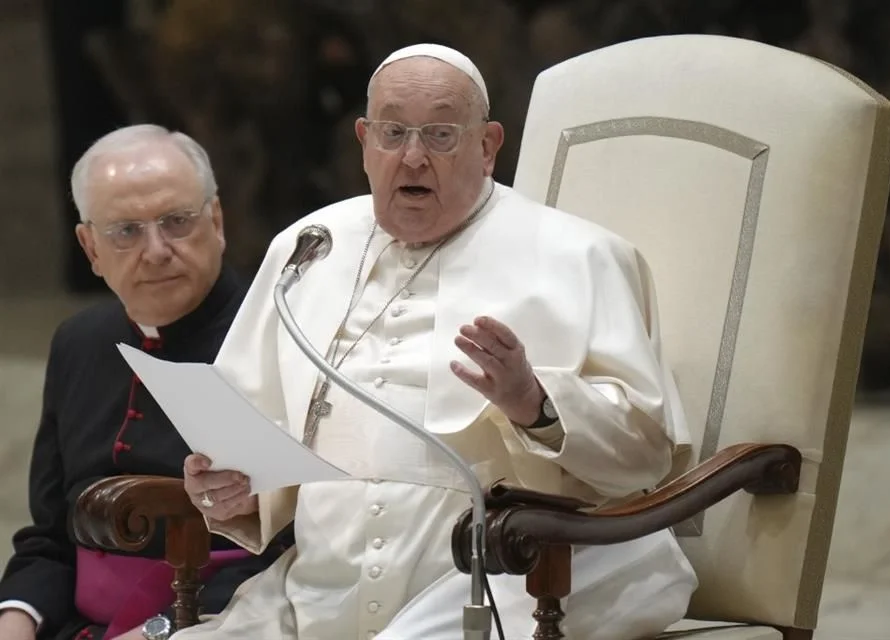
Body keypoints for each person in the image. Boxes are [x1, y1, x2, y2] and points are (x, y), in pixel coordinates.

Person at [177, 44, 698, 639]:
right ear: (364, 143)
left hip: (497, 586)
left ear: (488, 146)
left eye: (442, 135)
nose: (414, 157)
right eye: (393, 132)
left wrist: (534, 402)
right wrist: (230, 490)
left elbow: (645, 458)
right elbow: (251, 449)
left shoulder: (581, 256)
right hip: (315, 596)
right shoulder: (309, 247)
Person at [0, 125, 293, 640]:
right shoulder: (79, 342)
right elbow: (49, 538)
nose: (156, 251)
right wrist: (16, 619)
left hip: (224, 624)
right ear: (90, 247)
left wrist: (163, 629)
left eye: (177, 222)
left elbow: (303, 542)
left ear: (217, 221)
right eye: (126, 232)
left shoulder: (283, 333)